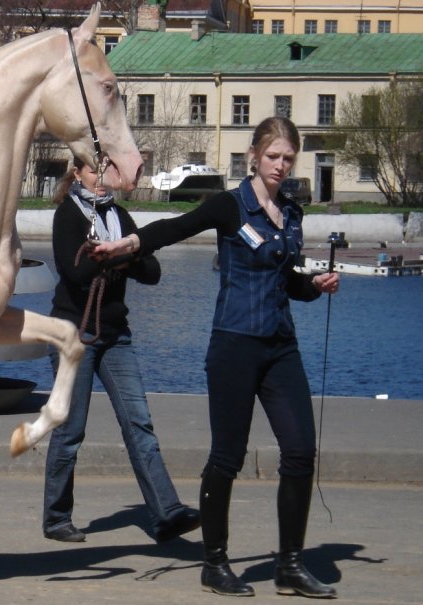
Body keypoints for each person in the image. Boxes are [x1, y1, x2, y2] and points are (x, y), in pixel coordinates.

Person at [91, 116, 340, 598]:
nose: (281, 166)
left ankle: (289, 564)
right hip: (234, 345)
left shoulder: (292, 213)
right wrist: (131, 243)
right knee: (228, 456)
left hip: (280, 346)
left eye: (288, 158)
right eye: (273, 156)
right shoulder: (230, 206)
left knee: (301, 450)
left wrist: (314, 286)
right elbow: (177, 226)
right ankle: (215, 562)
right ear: (254, 154)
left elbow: (289, 282)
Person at [42, 156, 200, 545]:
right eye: (93, 171)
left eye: (105, 172)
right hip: (73, 334)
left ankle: (167, 513)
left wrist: (117, 254)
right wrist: (116, 259)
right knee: (70, 430)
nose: (100, 179)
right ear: (77, 173)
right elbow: (73, 273)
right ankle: (56, 517)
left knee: (139, 423)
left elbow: (153, 273)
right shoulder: (67, 215)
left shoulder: (120, 217)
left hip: (116, 336)